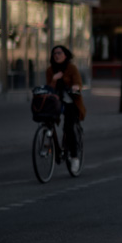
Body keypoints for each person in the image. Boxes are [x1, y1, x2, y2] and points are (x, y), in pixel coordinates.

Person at [46, 45, 86, 173]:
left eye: (59, 53)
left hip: (70, 102)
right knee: (47, 121)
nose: (56, 55)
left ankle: (74, 157)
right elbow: (49, 89)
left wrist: (75, 87)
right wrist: (54, 79)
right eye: (54, 53)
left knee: (68, 128)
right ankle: (52, 145)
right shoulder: (50, 70)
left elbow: (78, 83)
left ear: (65, 55)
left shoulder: (71, 68)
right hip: (56, 102)